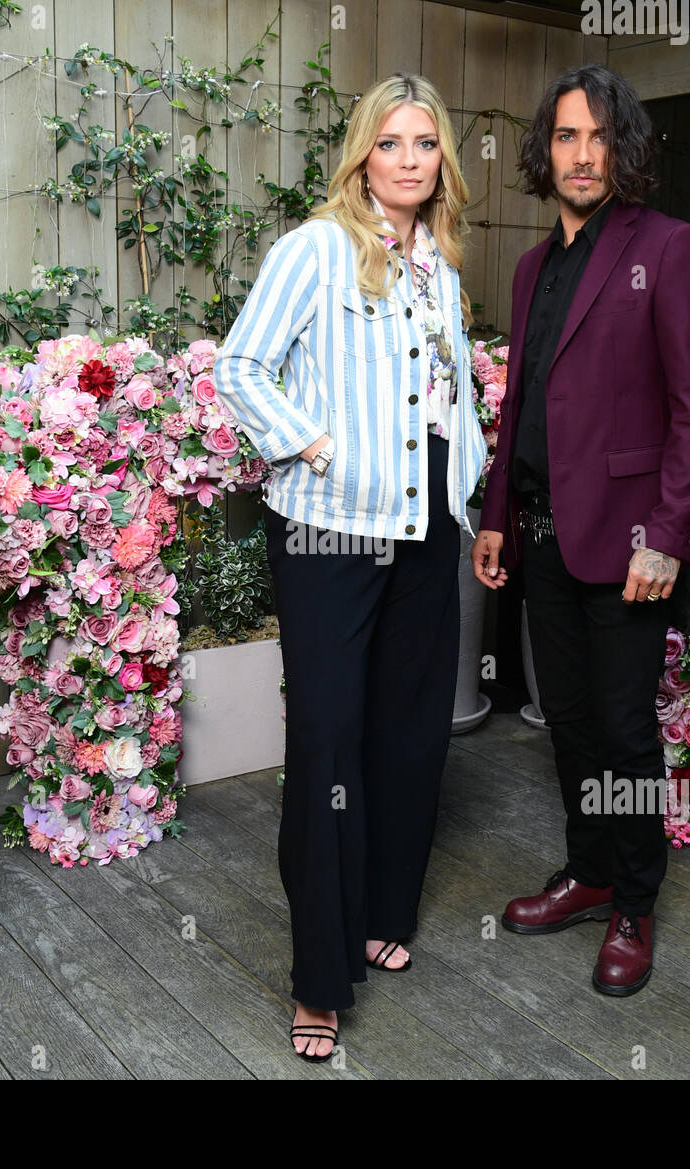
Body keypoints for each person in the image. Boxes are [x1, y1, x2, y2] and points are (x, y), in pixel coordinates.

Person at [214, 73, 486, 1058]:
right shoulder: (315, 249)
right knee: (327, 740)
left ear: (439, 161)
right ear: (361, 155)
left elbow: (452, 399)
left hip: (423, 526)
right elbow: (238, 366)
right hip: (329, 526)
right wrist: (316, 444)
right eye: (390, 143)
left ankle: (384, 910)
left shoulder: (440, 270)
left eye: (424, 144)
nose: (408, 160)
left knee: (409, 728)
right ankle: (319, 977)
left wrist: (474, 496)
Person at [471, 64, 690, 996]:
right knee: (568, 723)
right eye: (567, 137)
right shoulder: (534, 265)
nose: (583, 155)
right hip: (543, 536)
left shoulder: (674, 246)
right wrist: (498, 517)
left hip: (631, 550)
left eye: (600, 137)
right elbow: (521, 406)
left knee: (625, 730)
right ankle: (589, 870)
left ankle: (635, 903)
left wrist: (666, 533)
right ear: (548, 150)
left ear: (627, 148)